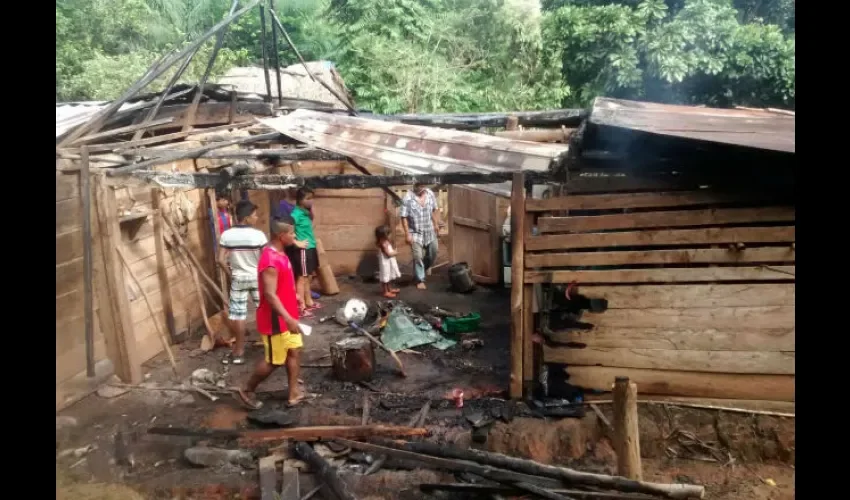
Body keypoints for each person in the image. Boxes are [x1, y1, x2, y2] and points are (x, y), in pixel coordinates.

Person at [237, 216, 304, 409]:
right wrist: (287, 317)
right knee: (275, 360)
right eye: (291, 233)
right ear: (281, 236)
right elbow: (269, 294)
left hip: (288, 315)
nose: (294, 236)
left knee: (294, 351)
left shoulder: (282, 254)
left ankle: (293, 393)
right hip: (276, 319)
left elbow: (283, 286)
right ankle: (247, 389)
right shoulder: (270, 260)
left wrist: (295, 297)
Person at [217, 200, 268, 365]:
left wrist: (231, 275)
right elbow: (267, 260)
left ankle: (238, 351)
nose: (256, 218)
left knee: (238, 314)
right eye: (254, 215)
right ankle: (270, 347)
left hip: (238, 278)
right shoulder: (259, 235)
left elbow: (220, 260)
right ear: (246, 218)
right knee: (265, 310)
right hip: (257, 277)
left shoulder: (226, 235)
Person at [287, 188, 321, 316]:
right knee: (301, 278)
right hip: (303, 250)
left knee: (308, 277)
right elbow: (286, 231)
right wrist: (296, 243)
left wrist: (312, 210)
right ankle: (300, 307)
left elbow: (312, 223)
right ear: (300, 201)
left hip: (310, 246)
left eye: (312, 198)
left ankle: (309, 302)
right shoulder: (295, 214)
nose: (311, 201)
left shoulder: (305, 213)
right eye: (307, 198)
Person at [399, 182, 440, 290]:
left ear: (425, 185)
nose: (418, 188)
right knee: (418, 256)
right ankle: (420, 279)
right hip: (415, 232)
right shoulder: (408, 197)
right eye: (417, 185)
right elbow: (403, 217)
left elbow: (434, 210)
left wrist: (435, 224)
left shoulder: (430, 194)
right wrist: (407, 234)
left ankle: (418, 272)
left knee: (433, 253)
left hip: (429, 230)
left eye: (421, 185)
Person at [375, 225, 401, 298]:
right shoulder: (383, 244)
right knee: (385, 276)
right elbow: (388, 254)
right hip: (385, 263)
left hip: (388, 262)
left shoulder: (386, 242)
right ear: (384, 235)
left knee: (388, 276)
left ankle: (389, 289)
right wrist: (395, 252)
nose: (390, 235)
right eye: (389, 234)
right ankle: (385, 292)